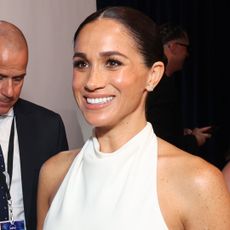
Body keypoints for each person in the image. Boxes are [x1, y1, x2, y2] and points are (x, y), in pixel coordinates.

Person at [37, 6, 230, 230]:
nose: (91, 81)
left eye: (113, 63)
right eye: (82, 63)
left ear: (153, 75)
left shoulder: (198, 181)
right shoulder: (53, 173)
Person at [0, 20, 69, 229]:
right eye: (0, 77)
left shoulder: (49, 127)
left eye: (18, 79)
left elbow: (61, 204)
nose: (9, 91)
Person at [146, 22, 212, 154]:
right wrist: (193, 140)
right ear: (174, 47)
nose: (187, 54)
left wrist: (181, 133)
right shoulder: (160, 85)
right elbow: (160, 142)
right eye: (186, 47)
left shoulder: (157, 81)